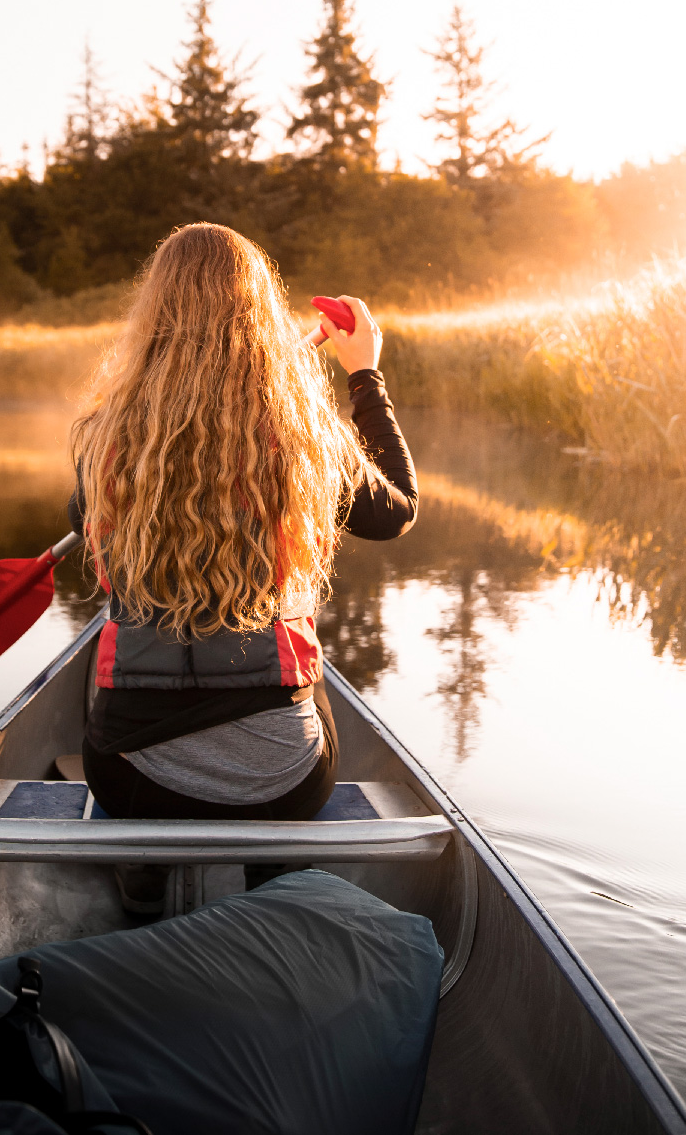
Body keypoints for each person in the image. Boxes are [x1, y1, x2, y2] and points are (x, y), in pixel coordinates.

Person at [68, 223, 417, 912]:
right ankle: (268, 885)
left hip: (134, 778)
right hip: (282, 781)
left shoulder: (105, 434)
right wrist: (363, 374)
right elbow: (396, 510)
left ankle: (141, 885)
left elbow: (82, 520)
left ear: (153, 315)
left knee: (101, 670)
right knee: (307, 707)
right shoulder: (304, 433)